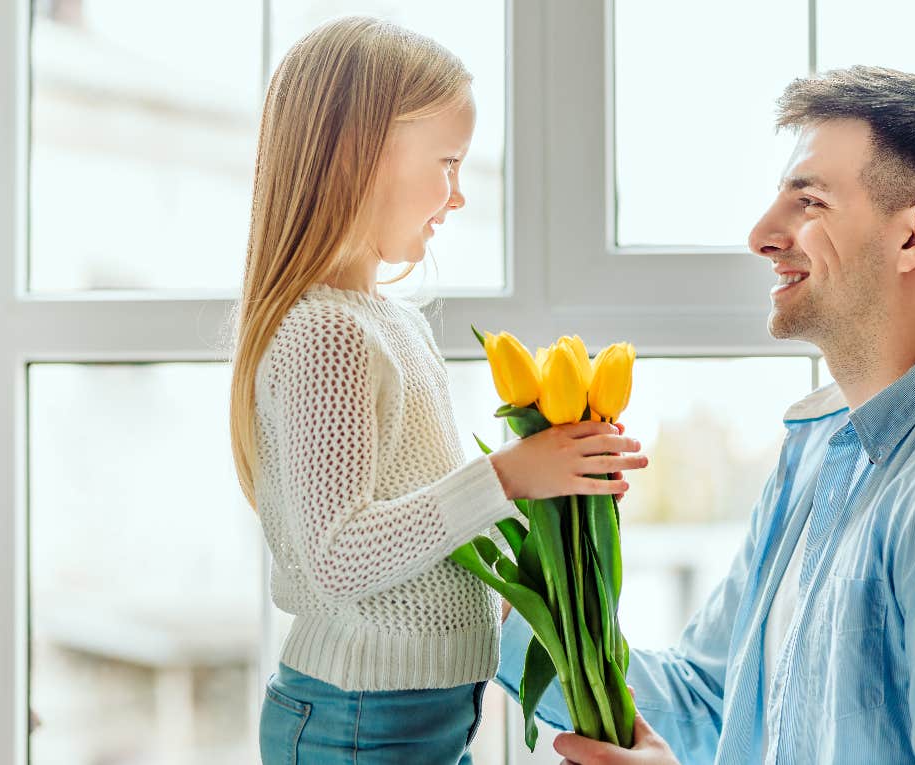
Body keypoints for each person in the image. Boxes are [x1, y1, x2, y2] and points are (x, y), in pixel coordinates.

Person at [497, 65, 915, 765]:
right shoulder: (818, 454)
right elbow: (709, 700)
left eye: (809, 202)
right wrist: (505, 588)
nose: (762, 234)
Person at [227, 17, 648, 764]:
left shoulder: (394, 325)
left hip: (419, 710)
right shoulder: (328, 336)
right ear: (361, 156)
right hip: (360, 720)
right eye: (447, 162)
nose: (455, 196)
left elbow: (432, 527)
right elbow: (340, 555)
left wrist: (555, 497)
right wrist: (509, 475)